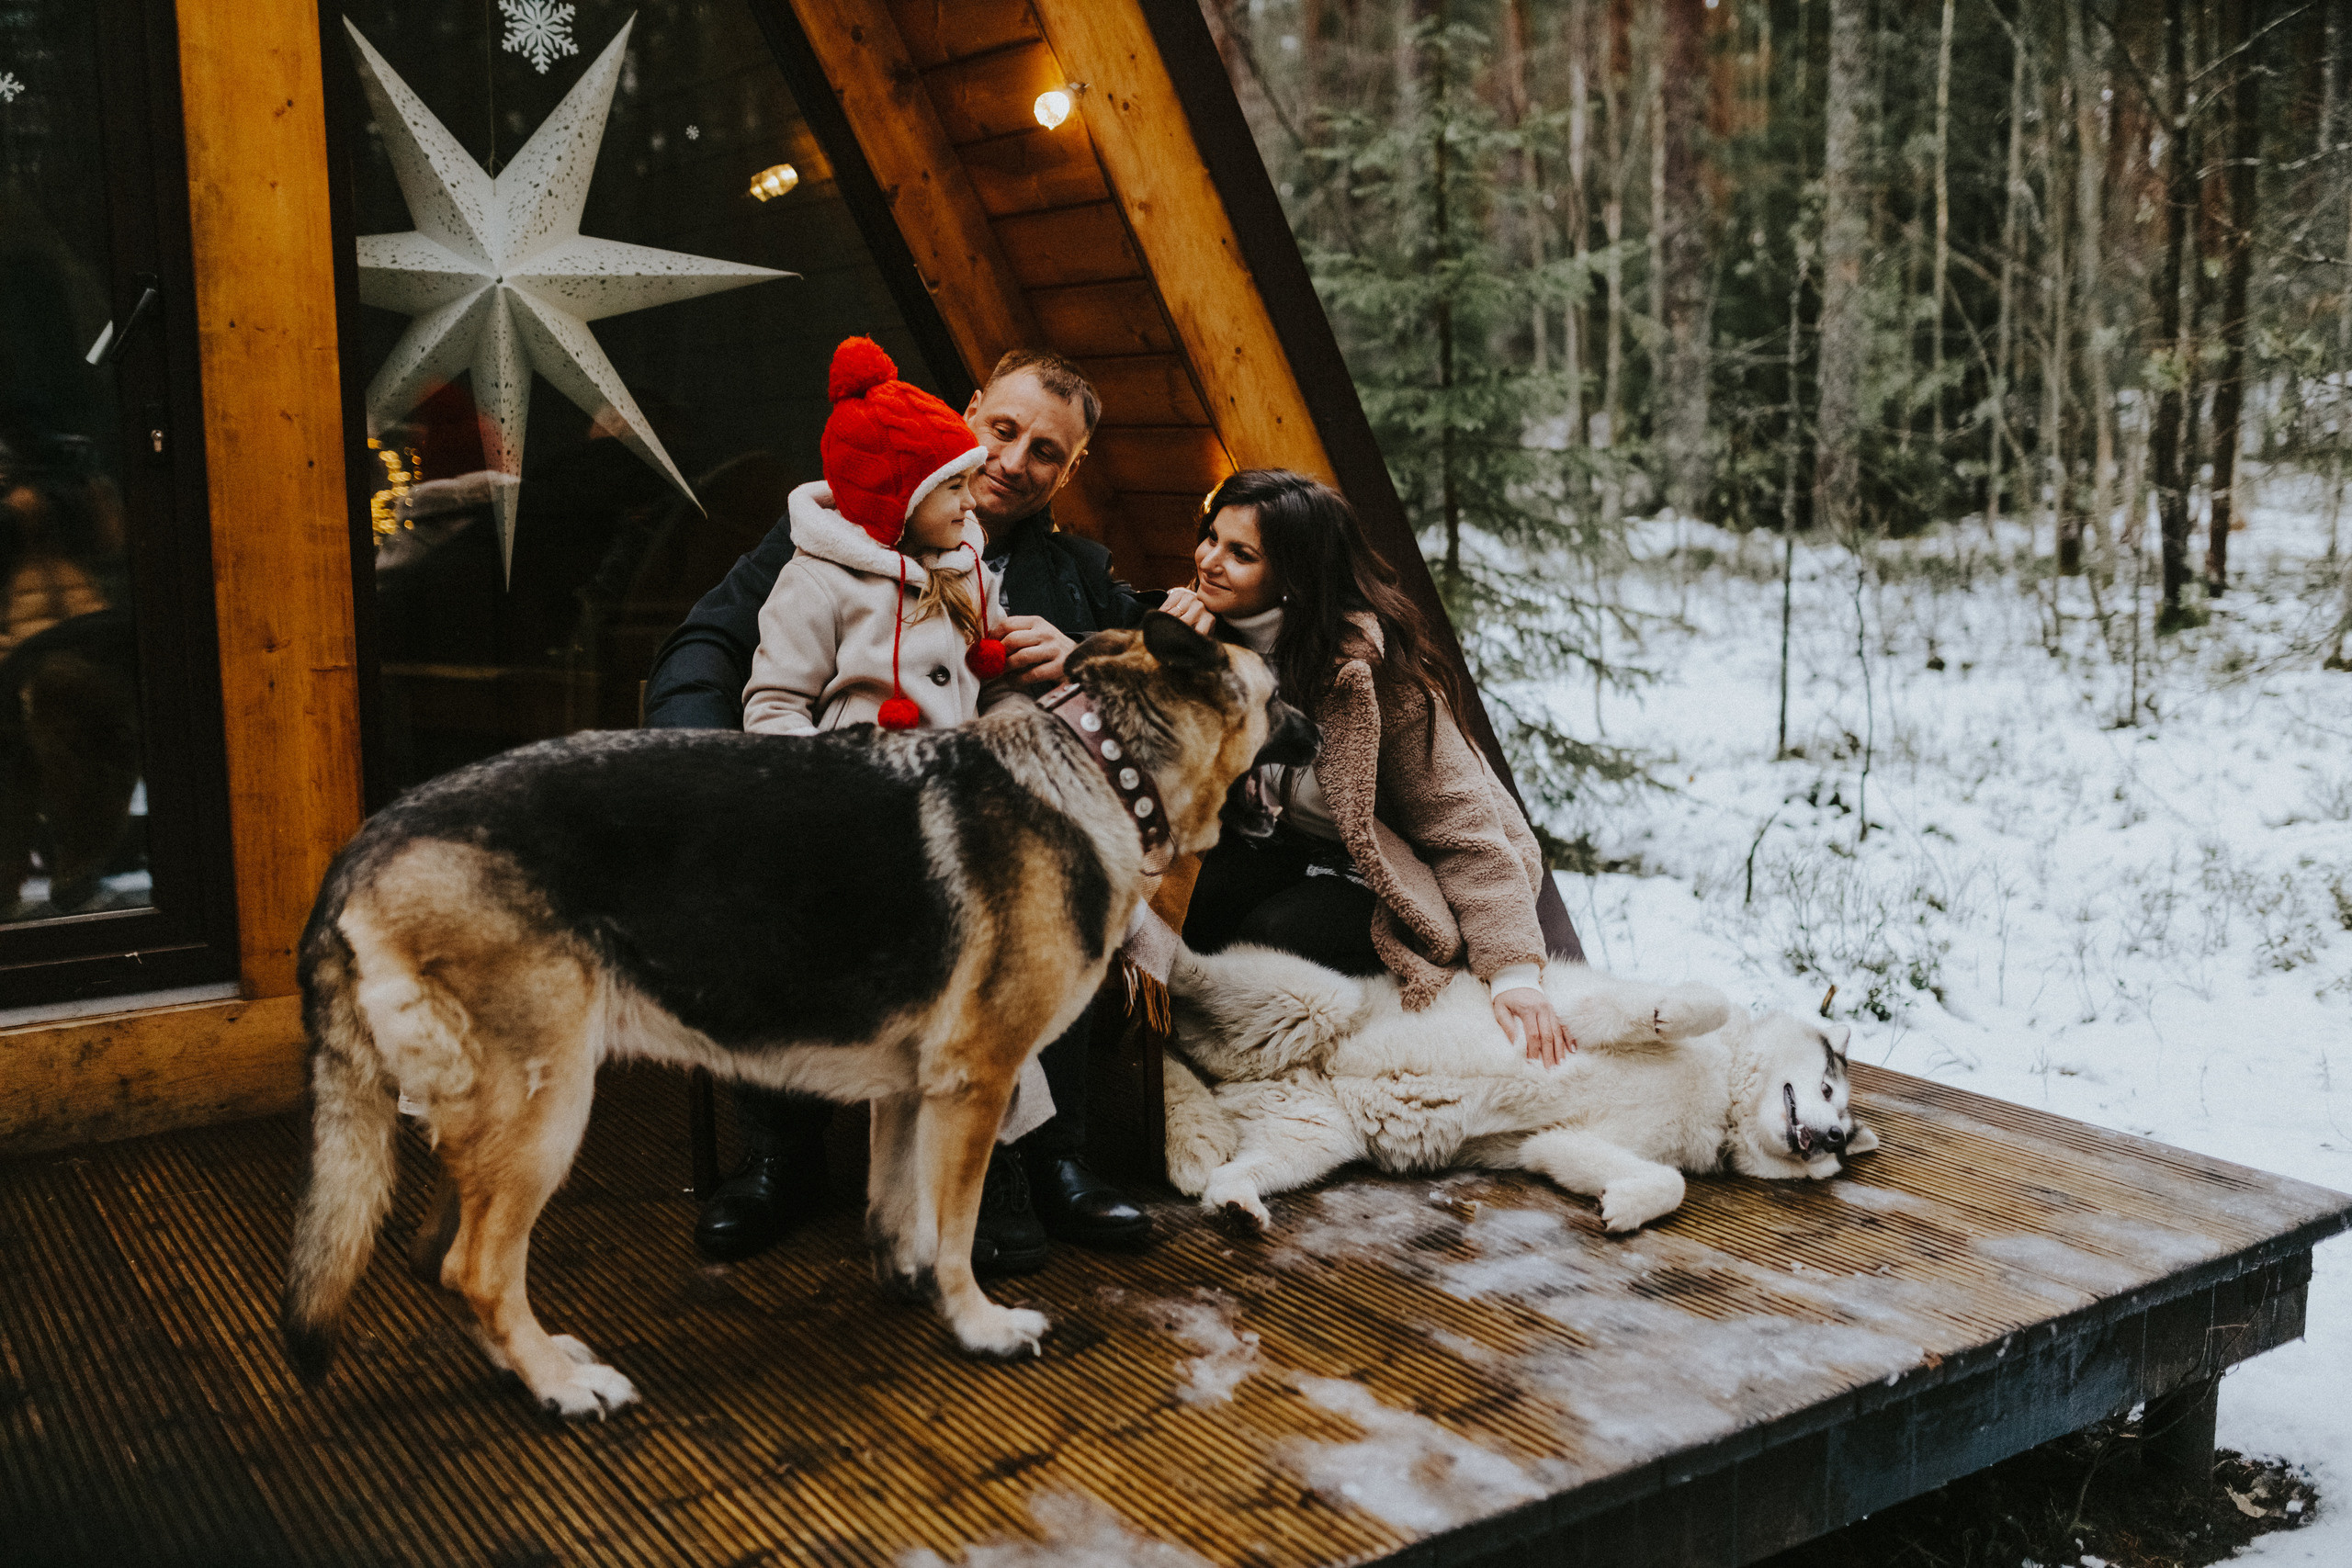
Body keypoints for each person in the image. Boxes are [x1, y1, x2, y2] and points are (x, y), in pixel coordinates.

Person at [644, 344, 1152, 1272]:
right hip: (821, 801)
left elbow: (1157, 695)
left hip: (993, 838)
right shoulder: (829, 526)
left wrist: (1083, 653)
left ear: (1071, 471)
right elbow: (710, 644)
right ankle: (777, 1158)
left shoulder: (1072, 571)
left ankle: (1053, 1161)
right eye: (1001, 429)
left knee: (1052, 901)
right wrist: (717, 775)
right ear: (967, 413)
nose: (1011, 460)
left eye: (1046, 452)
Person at [1160, 468, 1576, 1065]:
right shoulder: (1210, 633)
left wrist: (1515, 975)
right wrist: (1170, 653)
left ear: (1293, 577)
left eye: (1240, 553)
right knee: (1194, 910)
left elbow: (1464, 827)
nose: (1208, 561)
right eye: (1211, 537)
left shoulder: (1375, 680)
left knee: (1272, 934)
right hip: (1295, 845)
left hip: (1394, 872)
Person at [741, 337, 1003, 739]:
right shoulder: (817, 584)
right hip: (860, 789)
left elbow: (1001, 689)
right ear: (898, 500)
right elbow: (775, 710)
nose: (971, 501)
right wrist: (839, 789)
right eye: (953, 487)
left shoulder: (972, 575)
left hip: (957, 789)